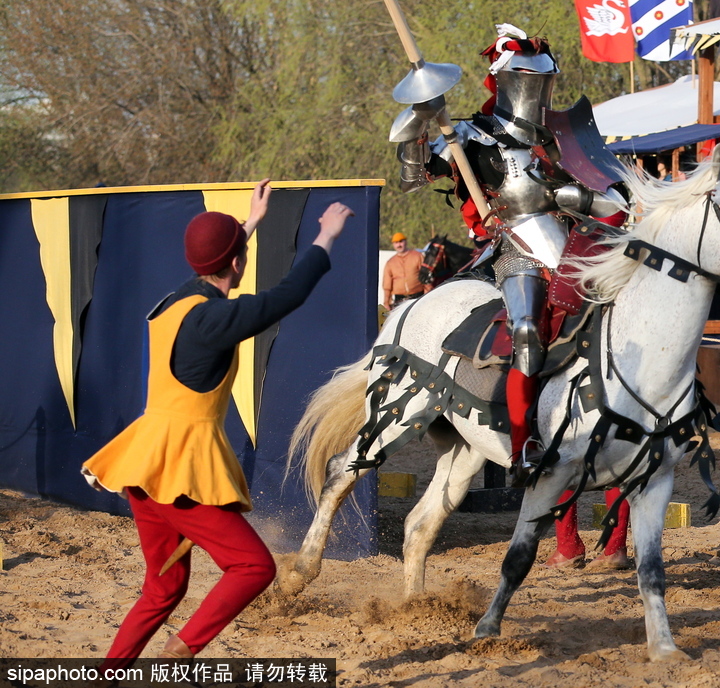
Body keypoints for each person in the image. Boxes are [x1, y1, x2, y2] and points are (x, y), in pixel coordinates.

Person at [81, 180, 354, 668]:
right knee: (252, 567)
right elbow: (287, 295)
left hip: (143, 464)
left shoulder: (175, 301)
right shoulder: (214, 320)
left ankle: (107, 673)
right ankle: (175, 658)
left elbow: (216, 263)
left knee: (165, 586)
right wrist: (325, 237)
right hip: (178, 471)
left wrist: (247, 225)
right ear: (236, 263)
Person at [390, 24, 631, 566]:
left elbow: (596, 194)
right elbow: (414, 171)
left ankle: (622, 514)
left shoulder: (556, 137)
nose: (538, 92)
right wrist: (422, 117)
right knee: (526, 337)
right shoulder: (472, 133)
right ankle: (524, 447)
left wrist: (594, 201)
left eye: (543, 83)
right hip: (516, 251)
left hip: (573, 251)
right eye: (526, 80)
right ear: (502, 81)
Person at [382, 231, 427, 310]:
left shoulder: (417, 256)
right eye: (396, 243)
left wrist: (427, 295)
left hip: (417, 297)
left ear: (405, 242)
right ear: (393, 244)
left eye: (401, 241)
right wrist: (386, 302)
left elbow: (426, 277)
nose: (399, 245)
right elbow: (387, 285)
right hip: (399, 300)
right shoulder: (390, 262)